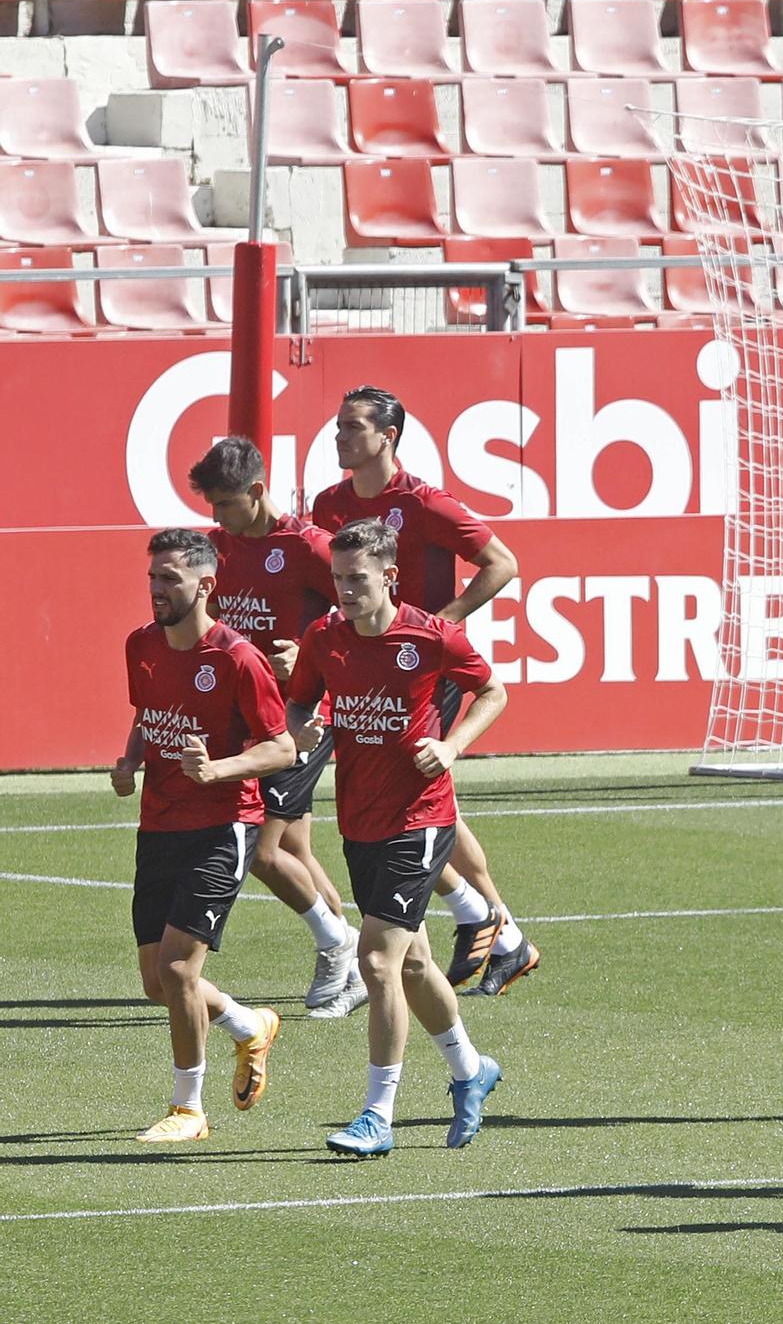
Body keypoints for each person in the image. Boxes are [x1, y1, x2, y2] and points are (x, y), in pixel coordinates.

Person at [287, 518, 505, 1157]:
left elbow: (492, 690)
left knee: (376, 959)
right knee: (412, 965)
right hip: (360, 820)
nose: (345, 591)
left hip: (422, 818)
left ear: (390, 576)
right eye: (337, 579)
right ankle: (471, 1071)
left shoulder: (432, 636)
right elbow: (300, 705)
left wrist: (453, 743)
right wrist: (303, 728)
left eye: (357, 579)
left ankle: (375, 1116)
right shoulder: (324, 638)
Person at [310, 386, 538, 996]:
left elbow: (502, 562)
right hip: (359, 666)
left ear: (387, 436)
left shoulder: (422, 501)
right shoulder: (328, 503)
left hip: (416, 668)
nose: (339, 436)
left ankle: (490, 923)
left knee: (419, 799)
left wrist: (445, 623)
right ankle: (500, 931)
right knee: (410, 804)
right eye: (338, 425)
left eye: (353, 426)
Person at [113, 529, 289, 1142]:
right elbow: (146, 713)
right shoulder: (140, 645)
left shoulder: (239, 658)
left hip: (223, 827)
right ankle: (249, 1025)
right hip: (158, 825)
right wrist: (130, 760)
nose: (157, 589)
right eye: (153, 578)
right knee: (156, 983)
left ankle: (189, 1108)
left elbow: (282, 746)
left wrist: (219, 769)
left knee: (181, 974)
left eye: (170, 579)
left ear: (205, 585)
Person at [189, 436, 363, 1018]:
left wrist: (310, 655)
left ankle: (336, 944)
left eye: (225, 504)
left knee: (261, 853)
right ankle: (352, 958)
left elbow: (368, 615)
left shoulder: (310, 547)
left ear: (258, 492)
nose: (217, 517)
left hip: (302, 717)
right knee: (292, 846)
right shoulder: (218, 548)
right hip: (250, 718)